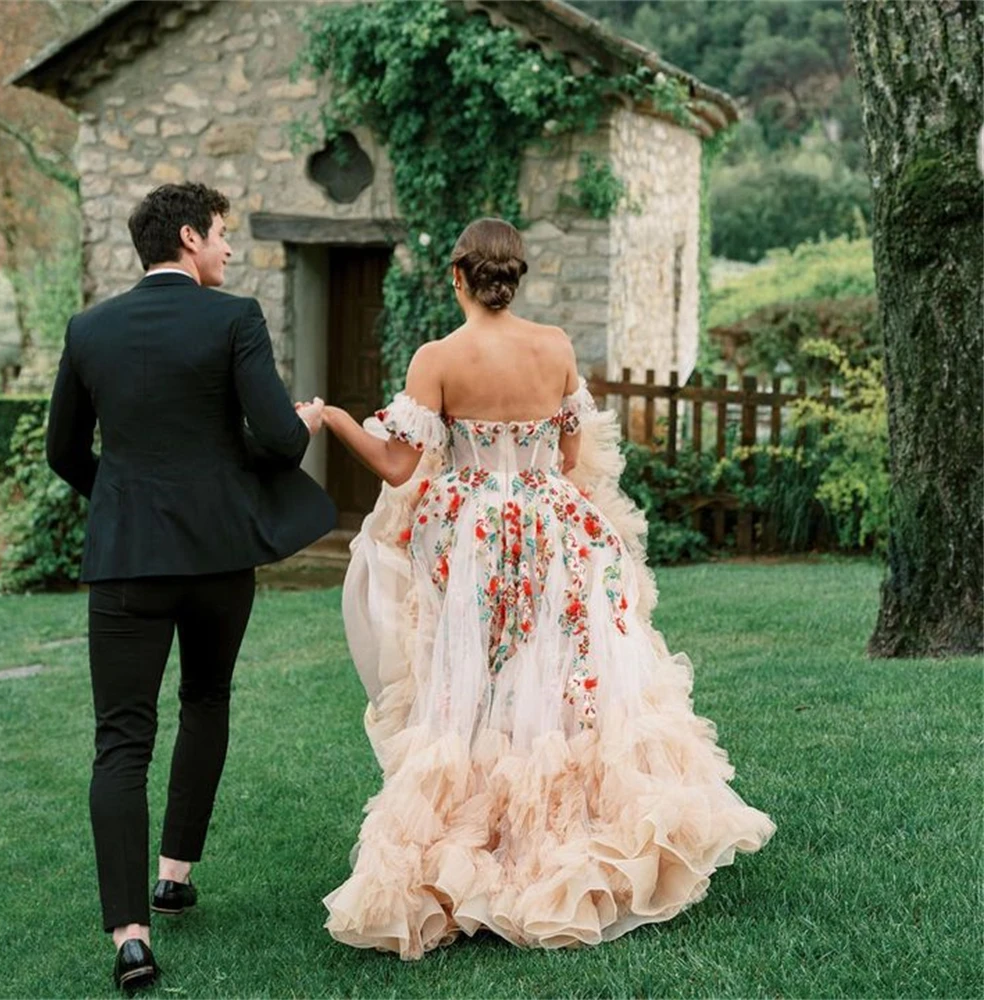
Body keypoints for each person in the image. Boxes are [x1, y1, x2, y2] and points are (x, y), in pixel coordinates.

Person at [316, 218, 775, 959]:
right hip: (555, 527)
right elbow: (568, 453)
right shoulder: (555, 348)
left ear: (458, 277)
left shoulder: (437, 358)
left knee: (470, 683)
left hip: (470, 539)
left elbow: (399, 467)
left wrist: (334, 416)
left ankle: (476, 854)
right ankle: (569, 839)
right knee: (556, 676)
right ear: (514, 278)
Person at [46, 182, 335, 991]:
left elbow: (63, 452)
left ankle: (131, 936)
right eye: (221, 235)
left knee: (121, 740)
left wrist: (124, 500)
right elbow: (278, 440)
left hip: (126, 560)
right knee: (206, 700)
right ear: (187, 238)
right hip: (216, 561)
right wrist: (306, 422)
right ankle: (172, 875)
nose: (230, 250)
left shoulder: (89, 329)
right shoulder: (234, 317)